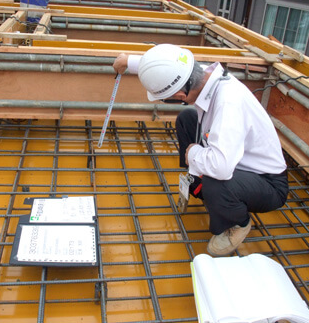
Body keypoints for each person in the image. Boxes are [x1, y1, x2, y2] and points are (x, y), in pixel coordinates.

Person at [113, 44, 288, 256]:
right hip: (237, 161)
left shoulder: (228, 103)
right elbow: (166, 65)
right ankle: (198, 185)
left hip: (267, 182)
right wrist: (128, 61)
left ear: (179, 96)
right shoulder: (199, 76)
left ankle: (238, 224)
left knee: (216, 181)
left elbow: (221, 168)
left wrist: (193, 154)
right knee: (187, 119)